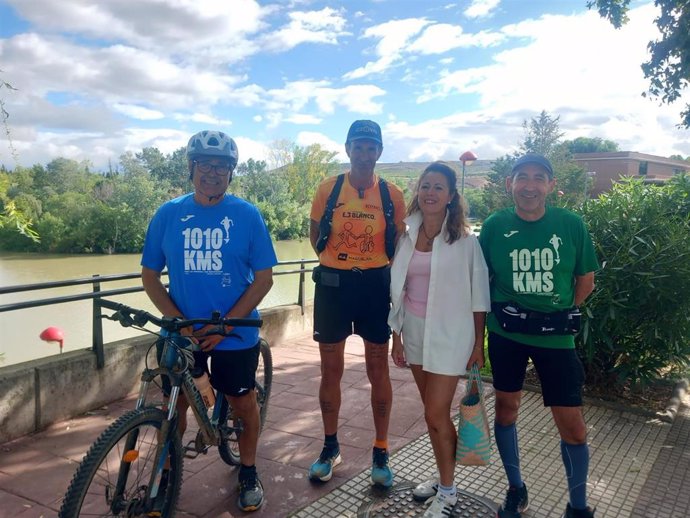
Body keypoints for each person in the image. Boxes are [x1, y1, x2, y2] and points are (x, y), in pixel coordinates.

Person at [140, 130, 277, 512]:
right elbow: (150, 276)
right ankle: (168, 472)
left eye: (221, 166)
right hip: (184, 331)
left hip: (234, 333)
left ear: (231, 172)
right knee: (176, 405)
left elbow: (264, 278)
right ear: (191, 168)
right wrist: (179, 322)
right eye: (205, 164)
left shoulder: (247, 215)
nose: (212, 173)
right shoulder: (168, 214)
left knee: (242, 401)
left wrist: (228, 325)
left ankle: (248, 470)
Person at [478, 154, 599, 518]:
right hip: (506, 334)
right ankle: (516, 488)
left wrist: (554, 314)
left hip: (556, 338)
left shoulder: (571, 224)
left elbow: (585, 281)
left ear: (550, 185)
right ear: (509, 184)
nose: (530, 185)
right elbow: (480, 285)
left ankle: (577, 507)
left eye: (538, 178)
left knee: (573, 425)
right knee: (506, 408)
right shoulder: (495, 226)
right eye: (522, 178)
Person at [388, 161, 491, 517]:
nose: (430, 192)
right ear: (419, 191)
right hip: (414, 333)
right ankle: (443, 477)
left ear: (450, 196)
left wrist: (478, 344)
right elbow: (399, 290)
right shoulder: (405, 236)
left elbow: (479, 297)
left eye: (438, 187)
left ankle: (447, 493)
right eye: (426, 186)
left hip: (450, 336)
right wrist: (396, 336)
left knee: (435, 414)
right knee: (435, 416)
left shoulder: (465, 243)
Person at [308, 120, 406, 487]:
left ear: (380, 152)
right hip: (334, 286)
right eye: (358, 146)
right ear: (348, 149)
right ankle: (330, 446)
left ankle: (381, 449)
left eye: (371, 147)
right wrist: (337, 257)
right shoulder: (328, 189)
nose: (365, 154)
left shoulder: (392, 194)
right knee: (330, 371)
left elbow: (398, 238)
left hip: (375, 287)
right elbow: (314, 230)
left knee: (377, 370)